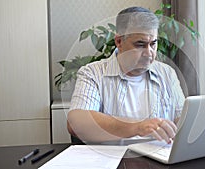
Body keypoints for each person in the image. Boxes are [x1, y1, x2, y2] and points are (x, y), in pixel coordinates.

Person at [67, 6, 185, 144]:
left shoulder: (167, 73)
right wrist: (138, 126)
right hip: (112, 160)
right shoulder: (93, 73)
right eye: (140, 44)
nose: (149, 53)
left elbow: (182, 120)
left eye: (153, 44)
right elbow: (76, 123)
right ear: (119, 42)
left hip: (160, 160)